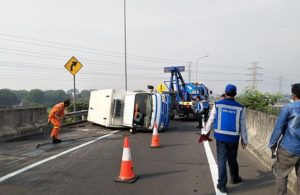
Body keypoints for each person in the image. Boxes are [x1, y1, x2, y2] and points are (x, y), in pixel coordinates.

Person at [201, 84, 248, 193]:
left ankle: (222, 185)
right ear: (235, 94)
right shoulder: (240, 107)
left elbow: (211, 119)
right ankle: (235, 178)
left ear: (225, 92)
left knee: (222, 160)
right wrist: (244, 140)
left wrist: (205, 132)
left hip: (221, 137)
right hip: (233, 138)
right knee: (232, 159)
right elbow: (243, 126)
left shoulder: (217, 105)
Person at [268, 83, 300, 195]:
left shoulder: (289, 107)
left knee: (281, 175)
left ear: (293, 95)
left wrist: (272, 144)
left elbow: (279, 127)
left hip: (288, 148)